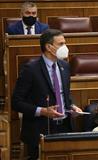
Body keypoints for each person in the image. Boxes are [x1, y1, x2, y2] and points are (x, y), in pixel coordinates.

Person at [11, 29, 82, 160]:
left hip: (65, 127)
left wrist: (71, 106)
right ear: (49, 47)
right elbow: (16, 102)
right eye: (61, 44)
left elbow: (64, 94)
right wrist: (42, 111)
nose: (65, 47)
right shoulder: (31, 69)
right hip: (40, 130)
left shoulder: (65, 66)